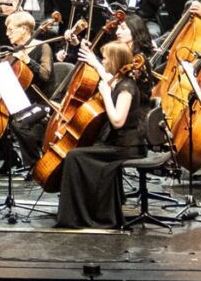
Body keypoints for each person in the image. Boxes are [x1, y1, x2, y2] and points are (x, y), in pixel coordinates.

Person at [54, 40, 151, 230]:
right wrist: (93, 61)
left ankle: (83, 216)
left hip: (126, 147)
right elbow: (107, 77)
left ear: (114, 61)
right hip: (117, 143)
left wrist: (105, 95)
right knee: (79, 153)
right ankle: (85, 212)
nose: (103, 61)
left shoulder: (127, 88)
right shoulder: (119, 81)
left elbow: (117, 121)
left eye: (105, 58)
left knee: (74, 156)